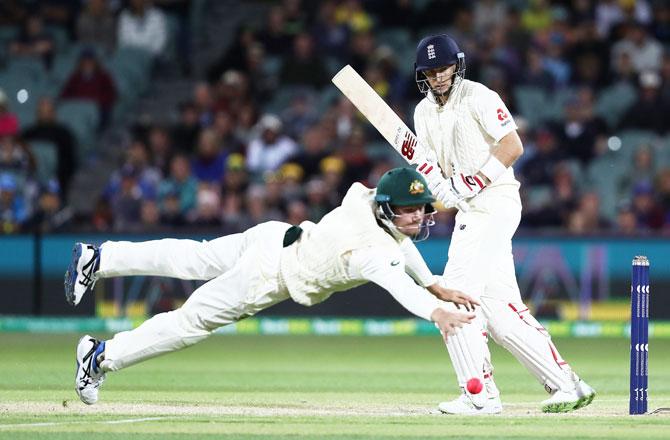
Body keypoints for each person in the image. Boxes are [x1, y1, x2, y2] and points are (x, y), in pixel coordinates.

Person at [64, 167, 479, 405]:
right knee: (191, 323)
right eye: (409, 212)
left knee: (194, 256)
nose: (418, 219)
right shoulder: (371, 251)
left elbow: (401, 243)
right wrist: (435, 308)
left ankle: (100, 258)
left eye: (422, 210)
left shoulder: (365, 198)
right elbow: (395, 280)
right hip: (268, 277)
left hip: (274, 236)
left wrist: (432, 283)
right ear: (388, 211)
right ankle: (100, 358)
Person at [410, 34, 595, 414]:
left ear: (456, 65)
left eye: (443, 68)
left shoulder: (479, 96)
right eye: (431, 71)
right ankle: (567, 385)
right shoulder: (422, 113)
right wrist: (438, 196)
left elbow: (512, 146)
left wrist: (473, 180)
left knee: (456, 291)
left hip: (494, 201)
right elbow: (432, 170)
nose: (439, 77)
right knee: (498, 308)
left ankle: (479, 396)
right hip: (469, 210)